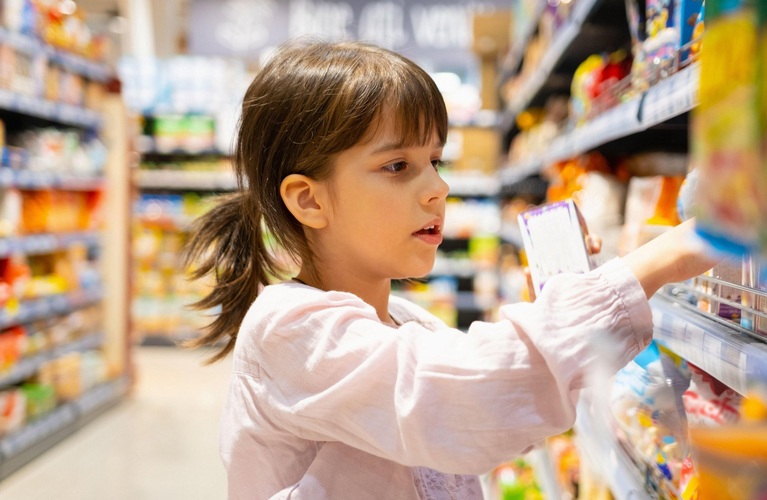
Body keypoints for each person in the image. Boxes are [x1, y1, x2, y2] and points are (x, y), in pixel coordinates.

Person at [183, 39, 718, 500]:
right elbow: (466, 401)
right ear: (310, 201)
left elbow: (504, 416)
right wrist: (658, 261)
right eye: (398, 166)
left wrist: (563, 301)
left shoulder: (410, 323)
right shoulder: (288, 330)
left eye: (435, 161)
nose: (438, 188)